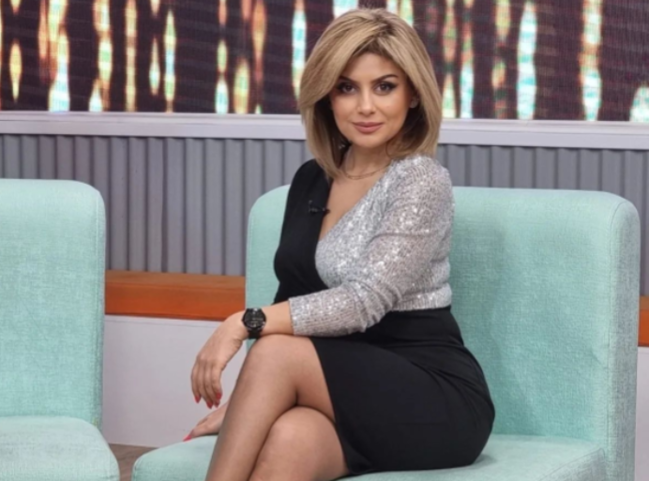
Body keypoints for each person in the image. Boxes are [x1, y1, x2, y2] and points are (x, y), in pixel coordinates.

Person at [186, 8, 494, 481]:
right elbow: (293, 297)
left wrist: (242, 323)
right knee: (288, 440)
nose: (365, 106)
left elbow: (363, 302)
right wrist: (252, 400)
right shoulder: (311, 180)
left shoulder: (420, 181)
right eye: (347, 88)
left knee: (274, 350)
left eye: (384, 87)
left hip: (431, 394)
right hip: (337, 389)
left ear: (413, 94)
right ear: (327, 96)